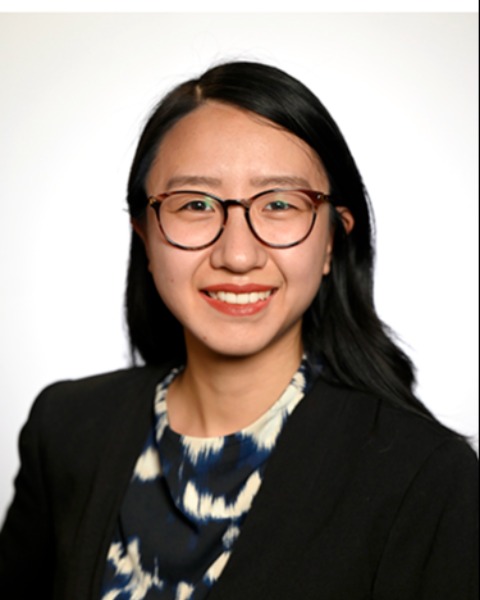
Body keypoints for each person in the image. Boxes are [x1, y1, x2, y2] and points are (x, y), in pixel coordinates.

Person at [0, 61, 477, 600]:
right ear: (144, 235)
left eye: (279, 204)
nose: (238, 254)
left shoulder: (426, 477)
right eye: (195, 204)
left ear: (331, 240)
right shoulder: (66, 430)